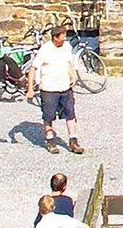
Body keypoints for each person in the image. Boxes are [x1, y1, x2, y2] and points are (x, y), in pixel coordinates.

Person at [28, 25, 84, 155]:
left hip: (65, 88)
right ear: (55, 38)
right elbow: (33, 68)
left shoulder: (67, 47)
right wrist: (30, 88)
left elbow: (68, 63)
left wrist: (73, 76)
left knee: (70, 114)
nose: (65, 38)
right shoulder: (45, 50)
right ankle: (50, 140)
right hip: (49, 89)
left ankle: (73, 140)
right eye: (62, 36)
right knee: (49, 116)